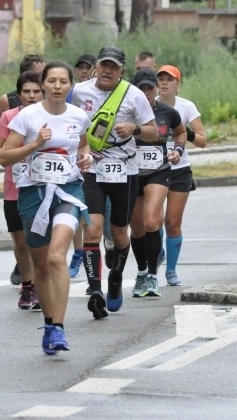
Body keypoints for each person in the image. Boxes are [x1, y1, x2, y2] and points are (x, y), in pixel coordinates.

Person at [0, 61, 92, 354]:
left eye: (62, 82)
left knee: (56, 256)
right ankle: (49, 322)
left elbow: (83, 146)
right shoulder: (28, 117)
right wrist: (35, 144)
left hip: (68, 189)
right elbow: (5, 156)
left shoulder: (79, 115)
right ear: (44, 84)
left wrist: (85, 158)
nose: (57, 86)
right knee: (40, 265)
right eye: (51, 81)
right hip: (33, 192)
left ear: (69, 85)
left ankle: (60, 328)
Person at [70, 46, 156, 319]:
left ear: (122, 70)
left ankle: (116, 275)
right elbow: (69, 126)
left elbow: (155, 132)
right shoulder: (80, 91)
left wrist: (135, 128)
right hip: (91, 170)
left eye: (114, 67)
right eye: (104, 65)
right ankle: (95, 289)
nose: (108, 71)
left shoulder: (134, 95)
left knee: (120, 234)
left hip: (124, 170)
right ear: (96, 66)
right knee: (93, 230)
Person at [128, 69, 187, 297]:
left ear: (155, 89)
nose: (146, 93)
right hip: (132, 172)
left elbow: (180, 133)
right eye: (141, 89)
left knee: (152, 221)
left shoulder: (167, 112)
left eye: (149, 88)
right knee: (137, 227)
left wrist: (178, 151)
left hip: (158, 171)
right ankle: (142, 271)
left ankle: (153, 275)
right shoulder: (126, 112)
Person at [0, 53, 44, 285]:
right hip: (15, 187)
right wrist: (18, 153)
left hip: (44, 186)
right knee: (20, 241)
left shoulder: (55, 116)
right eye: (26, 92)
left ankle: (41, 283)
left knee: (40, 241)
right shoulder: (10, 116)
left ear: (43, 92)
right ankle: (28, 284)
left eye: (36, 91)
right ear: (18, 95)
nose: (31, 96)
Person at [155, 64, 206, 286]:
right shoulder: (149, 106)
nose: (165, 83)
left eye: (170, 79)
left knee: (172, 222)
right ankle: (157, 252)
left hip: (179, 170)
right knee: (152, 222)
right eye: (161, 79)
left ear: (178, 84)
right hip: (153, 169)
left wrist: (183, 131)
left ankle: (171, 270)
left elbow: (203, 141)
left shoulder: (186, 107)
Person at [67, 53, 96, 278]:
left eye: (88, 68)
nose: (84, 71)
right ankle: (78, 253)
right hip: (76, 161)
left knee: (95, 223)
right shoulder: (72, 92)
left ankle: (95, 254)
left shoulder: (106, 92)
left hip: (104, 160)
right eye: (80, 68)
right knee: (78, 213)